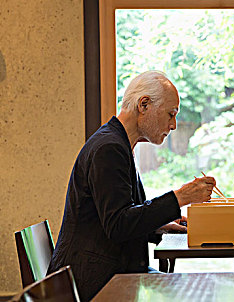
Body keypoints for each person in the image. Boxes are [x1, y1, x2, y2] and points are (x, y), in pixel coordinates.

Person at [47, 71, 216, 301]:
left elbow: (120, 217)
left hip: (107, 275)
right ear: (143, 105)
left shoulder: (119, 144)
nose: (174, 125)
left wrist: (161, 226)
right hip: (93, 285)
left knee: (195, 289)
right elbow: (118, 226)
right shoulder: (109, 148)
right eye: (171, 114)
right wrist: (179, 197)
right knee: (196, 292)